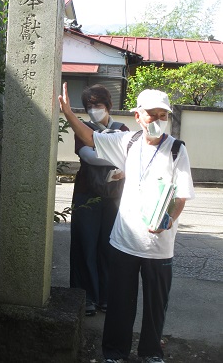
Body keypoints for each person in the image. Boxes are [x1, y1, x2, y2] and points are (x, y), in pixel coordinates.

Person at [59, 83, 195, 363]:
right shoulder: (128, 142)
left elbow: (181, 195)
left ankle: (150, 352)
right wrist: (69, 114)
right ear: (138, 116)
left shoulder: (176, 150)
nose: (157, 121)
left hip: (159, 247)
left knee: (156, 307)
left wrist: (167, 221)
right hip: (124, 241)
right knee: (120, 303)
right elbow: (90, 138)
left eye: (162, 116)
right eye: (151, 114)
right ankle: (114, 352)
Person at [70, 84, 129, 316]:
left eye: (98, 105)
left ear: (109, 106)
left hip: (114, 196)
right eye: (90, 106)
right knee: (85, 244)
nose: (94, 109)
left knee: (109, 246)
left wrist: (121, 158)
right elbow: (89, 157)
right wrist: (119, 157)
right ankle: (85, 298)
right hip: (86, 194)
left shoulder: (121, 128)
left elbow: (128, 155)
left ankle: (106, 297)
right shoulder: (82, 128)